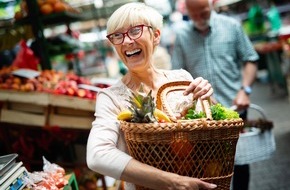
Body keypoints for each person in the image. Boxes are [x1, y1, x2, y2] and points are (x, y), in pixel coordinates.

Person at [86, 2, 217, 190]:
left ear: (156, 36)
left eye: (135, 31)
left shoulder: (182, 79)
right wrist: (174, 182)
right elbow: (97, 155)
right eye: (117, 35)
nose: (126, 41)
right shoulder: (110, 98)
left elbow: (212, 132)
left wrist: (208, 99)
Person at [171, 0, 259, 190]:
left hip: (235, 108)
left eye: (203, 12)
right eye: (193, 14)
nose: (199, 18)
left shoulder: (232, 26)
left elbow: (250, 59)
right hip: (202, 118)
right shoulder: (182, 36)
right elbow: (175, 75)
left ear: (212, 4)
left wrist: (245, 90)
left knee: (240, 162)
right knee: (207, 166)